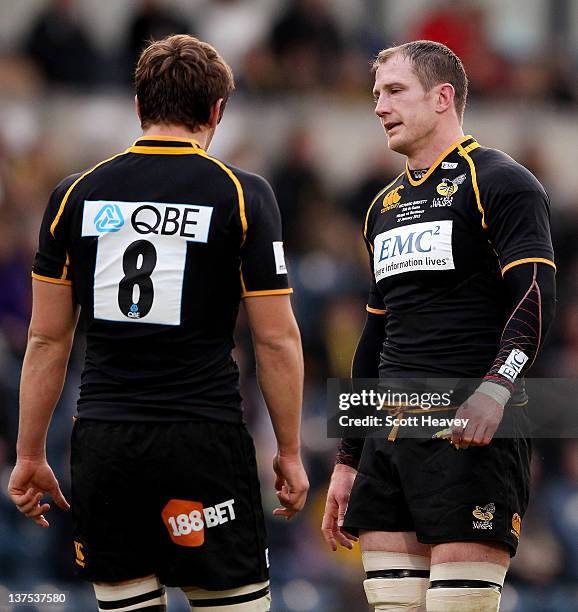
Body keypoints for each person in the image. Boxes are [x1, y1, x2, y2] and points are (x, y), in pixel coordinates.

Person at [8, 34, 308, 612]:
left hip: (105, 441)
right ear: (217, 111)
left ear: (139, 105)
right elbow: (276, 338)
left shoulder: (74, 195)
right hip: (202, 439)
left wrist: (29, 454)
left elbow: (46, 338)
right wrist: (290, 451)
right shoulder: (242, 195)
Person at [321, 40, 556, 612]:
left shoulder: (501, 182)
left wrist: (497, 389)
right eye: (377, 94)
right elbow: (373, 337)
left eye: (395, 91)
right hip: (391, 437)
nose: (379, 106)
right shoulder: (381, 208)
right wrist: (350, 457)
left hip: (469, 427)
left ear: (443, 96)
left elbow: (535, 295)